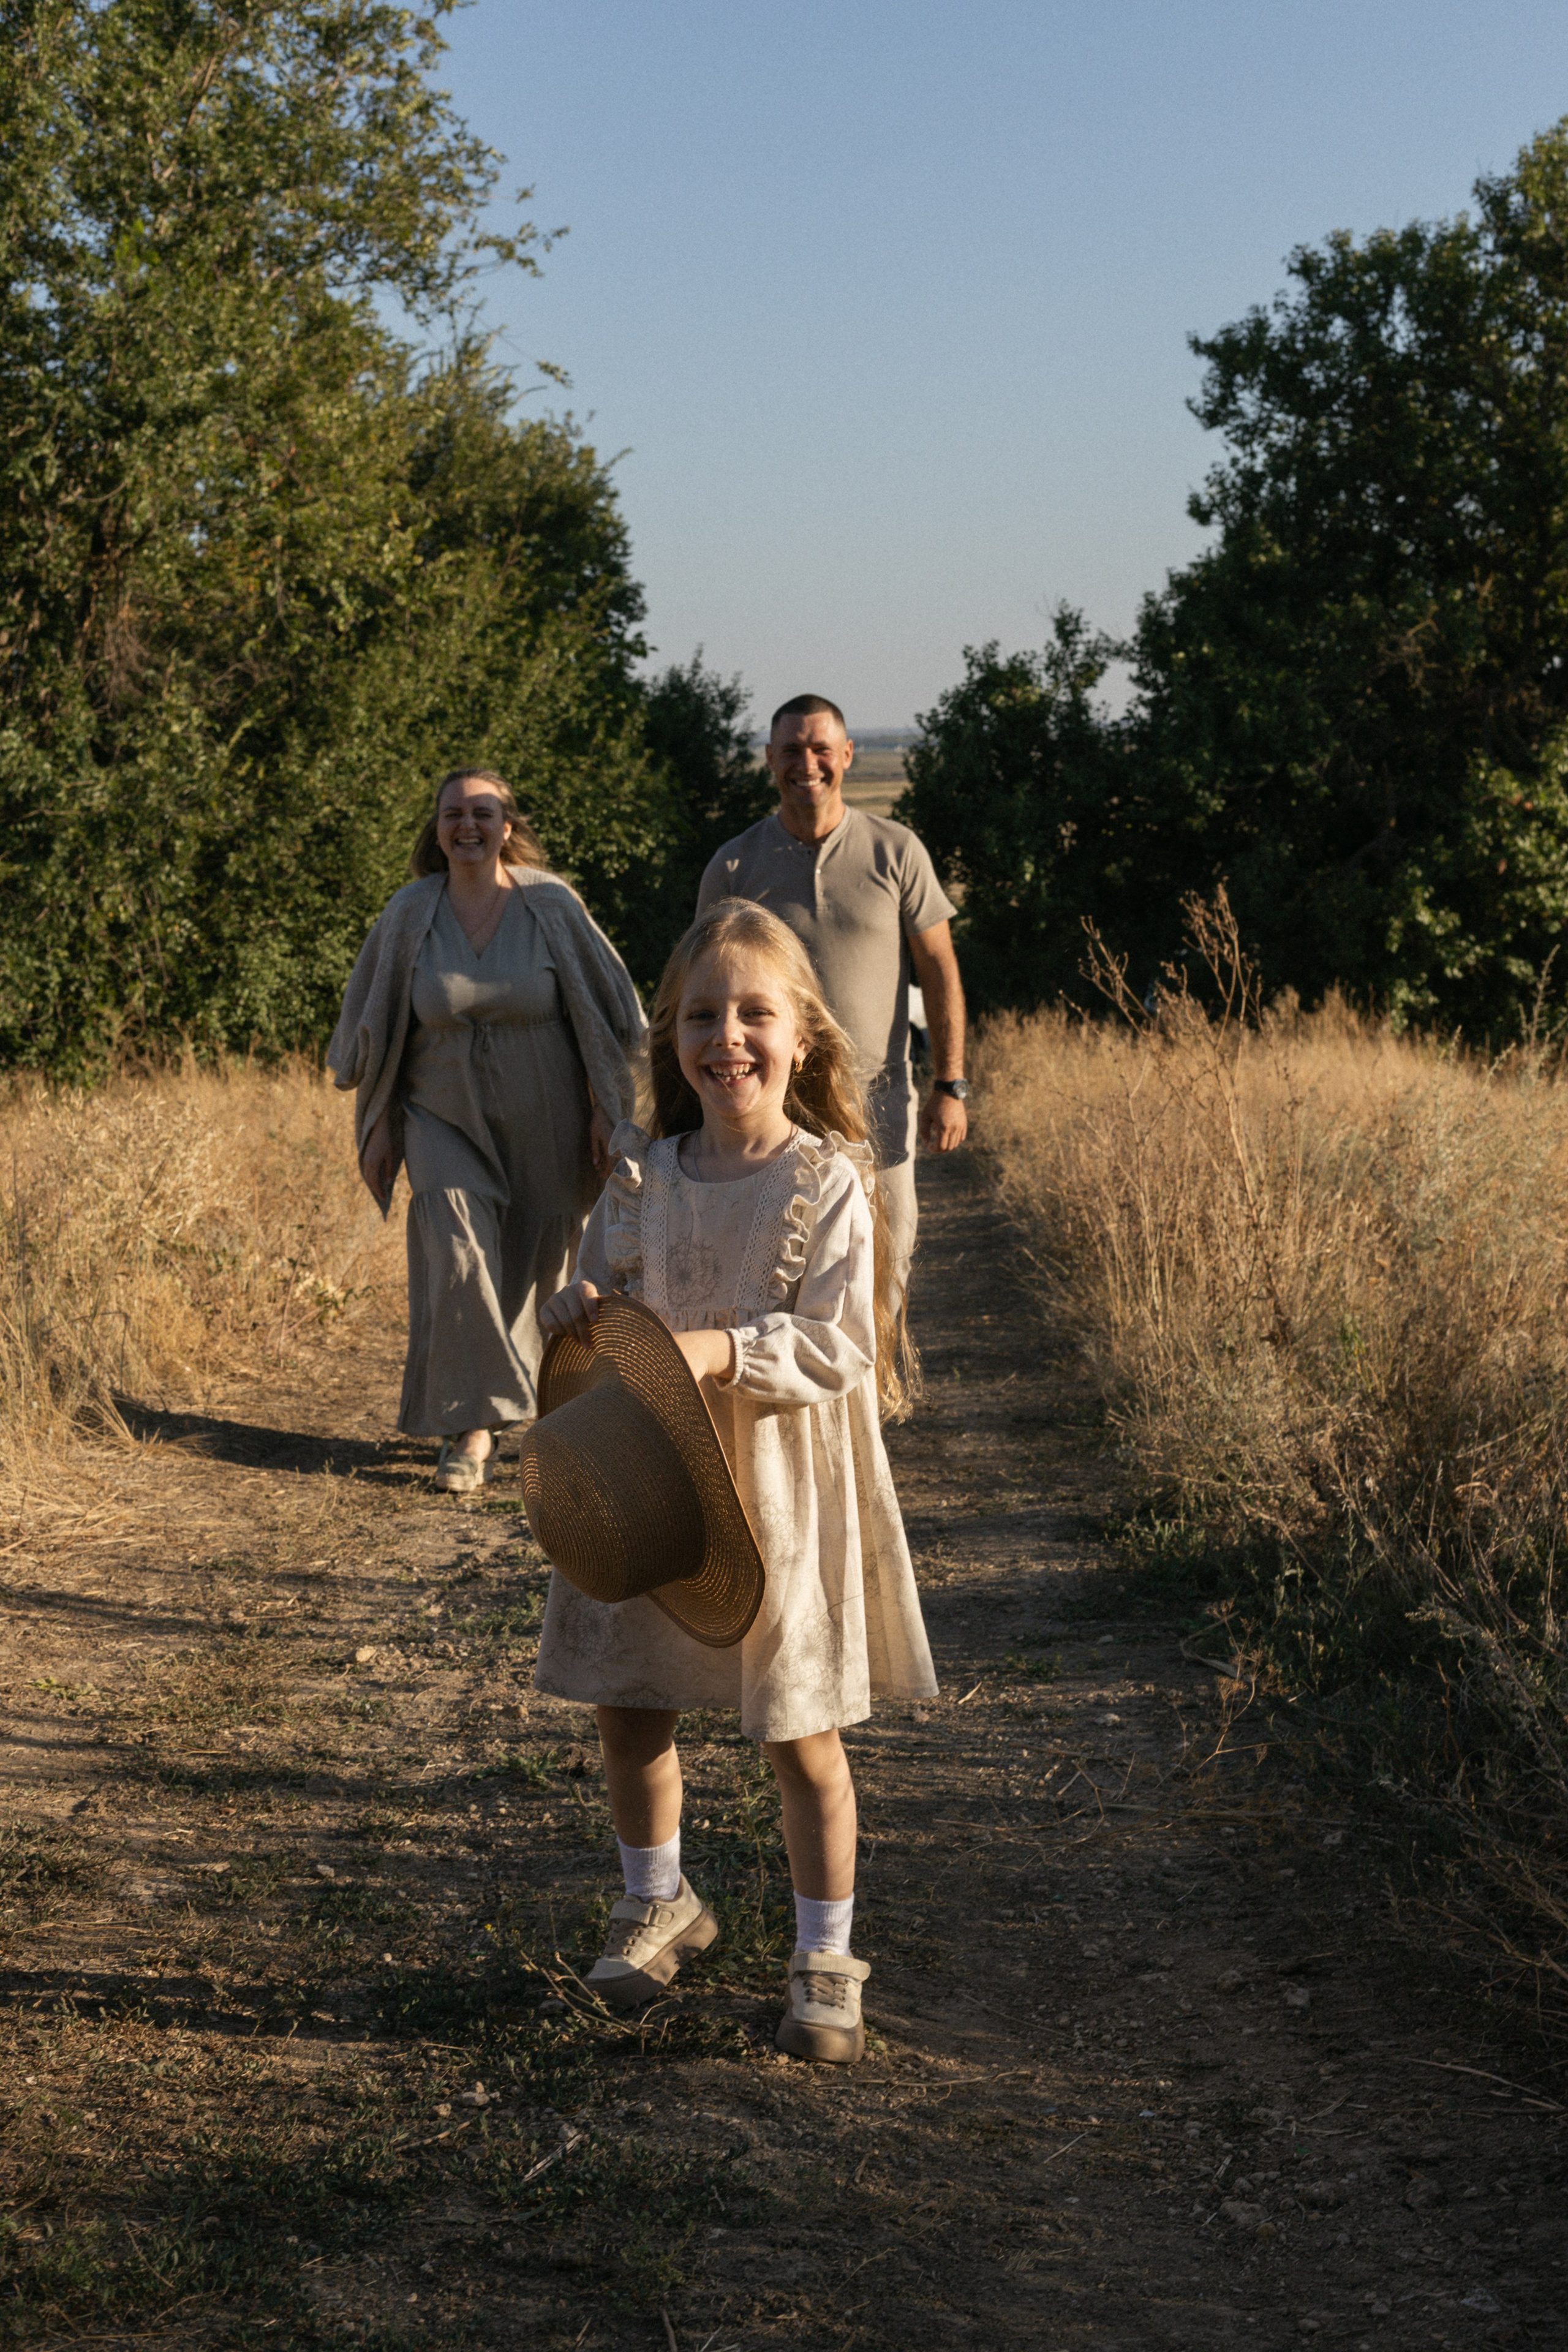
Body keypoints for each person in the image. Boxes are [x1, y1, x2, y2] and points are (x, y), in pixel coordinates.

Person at [533, 897, 937, 2062]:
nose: (729, 1037)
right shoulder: (642, 1181)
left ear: (802, 1036)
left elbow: (840, 1347)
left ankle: (824, 1953)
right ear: (672, 1038)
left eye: (755, 1013)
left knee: (799, 1732)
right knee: (630, 1705)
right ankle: (659, 1897)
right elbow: (603, 1302)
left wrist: (722, 1349)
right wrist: (578, 1310)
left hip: (774, 1485)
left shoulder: (829, 1185)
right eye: (702, 1014)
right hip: (647, 1479)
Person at [327, 768, 644, 1491]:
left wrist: (604, 1107)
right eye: (451, 814)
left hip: (549, 1111)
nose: (466, 826)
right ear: (435, 829)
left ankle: (550, 1407)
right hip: (440, 1113)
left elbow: (606, 1012)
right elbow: (373, 1022)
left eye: (482, 813)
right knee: (456, 1241)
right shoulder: (410, 912)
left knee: (540, 1266)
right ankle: (471, 1428)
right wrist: (378, 1122)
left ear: (508, 826)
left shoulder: (551, 905)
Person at [696, 694, 968, 1295]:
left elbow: (940, 970)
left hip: (880, 1103)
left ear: (847, 754)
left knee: (885, 1268)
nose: (807, 763)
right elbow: (705, 990)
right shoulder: (735, 866)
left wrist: (949, 1086)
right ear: (769, 758)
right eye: (791, 750)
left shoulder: (896, 852)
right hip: (773, 1106)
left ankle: (887, 1392)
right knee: (778, 1272)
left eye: (821, 749)